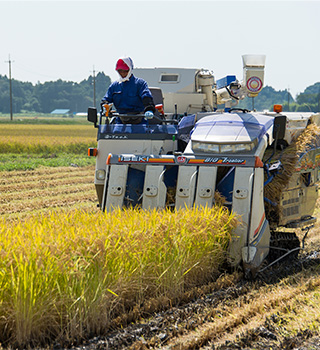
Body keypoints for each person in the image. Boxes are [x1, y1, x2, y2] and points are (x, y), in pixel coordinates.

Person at [102, 57, 156, 124]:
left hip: (139, 120)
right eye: (120, 71)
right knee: (115, 133)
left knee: (142, 133)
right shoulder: (114, 86)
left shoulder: (140, 84)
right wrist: (105, 106)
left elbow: (146, 97)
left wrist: (149, 109)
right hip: (120, 121)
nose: (122, 73)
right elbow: (106, 100)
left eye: (125, 71)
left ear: (130, 69)